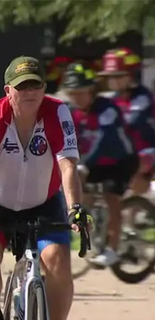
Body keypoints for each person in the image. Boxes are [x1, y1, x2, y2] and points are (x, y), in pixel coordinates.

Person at [0, 56, 89, 320]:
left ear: (45, 88)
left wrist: (76, 209)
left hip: (43, 204)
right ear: (8, 90)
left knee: (58, 261)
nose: (29, 93)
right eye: (22, 87)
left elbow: (67, 165)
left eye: (35, 86)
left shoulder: (58, 112)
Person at [63, 63, 138, 267]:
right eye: (72, 93)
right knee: (79, 192)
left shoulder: (107, 108)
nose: (76, 97)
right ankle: (91, 231)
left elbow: (103, 140)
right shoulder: (71, 111)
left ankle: (112, 250)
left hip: (121, 161)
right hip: (96, 162)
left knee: (112, 198)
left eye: (81, 92)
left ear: (91, 90)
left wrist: (83, 164)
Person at [98, 49, 155, 200]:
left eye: (119, 76)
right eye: (110, 77)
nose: (113, 81)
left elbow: (130, 121)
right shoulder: (110, 100)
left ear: (131, 75)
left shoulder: (143, 98)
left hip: (146, 152)